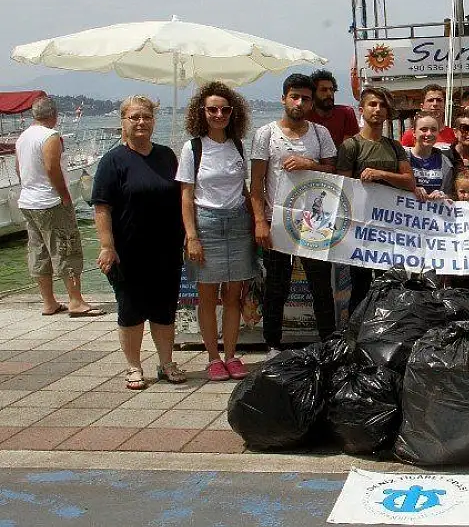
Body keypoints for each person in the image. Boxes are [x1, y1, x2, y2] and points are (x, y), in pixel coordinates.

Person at [91, 96, 186, 390]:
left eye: (146, 117)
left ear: (154, 121)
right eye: (134, 117)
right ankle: (133, 366)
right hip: (128, 252)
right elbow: (101, 207)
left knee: (164, 309)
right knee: (130, 310)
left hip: (166, 250)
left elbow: (182, 198)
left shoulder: (167, 156)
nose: (141, 122)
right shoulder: (112, 161)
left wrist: (188, 236)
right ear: (123, 122)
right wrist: (107, 246)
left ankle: (166, 362)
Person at [250, 73, 338, 357]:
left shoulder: (320, 134)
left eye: (306, 98)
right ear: (284, 98)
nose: (300, 103)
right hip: (277, 221)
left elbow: (333, 173)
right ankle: (273, 345)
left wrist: (308, 163)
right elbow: (256, 184)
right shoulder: (266, 134)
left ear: (312, 102)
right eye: (294, 97)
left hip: (315, 222)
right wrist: (260, 222)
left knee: (321, 286)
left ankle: (327, 343)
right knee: (276, 286)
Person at [176, 82, 256, 381]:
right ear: (202, 112)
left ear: (233, 112)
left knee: (233, 295)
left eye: (224, 109)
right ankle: (212, 358)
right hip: (206, 223)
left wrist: (255, 221)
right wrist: (191, 236)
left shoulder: (237, 145)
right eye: (212, 109)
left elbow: (244, 189)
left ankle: (232, 355)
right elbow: (186, 195)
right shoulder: (193, 148)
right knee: (207, 296)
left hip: (237, 224)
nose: (218, 114)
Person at [15, 95, 102, 318]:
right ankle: (75, 300)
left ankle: (49, 302)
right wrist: (64, 195)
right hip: (50, 201)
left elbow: (18, 168)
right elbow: (52, 167)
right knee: (66, 247)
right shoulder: (50, 136)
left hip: (28, 200)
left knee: (39, 250)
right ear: (53, 115)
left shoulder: (23, 137)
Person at [338, 86, 415, 309]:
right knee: (360, 286)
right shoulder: (350, 146)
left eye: (382, 106)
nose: (378, 109)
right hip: (360, 230)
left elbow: (410, 182)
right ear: (361, 109)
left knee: (389, 285)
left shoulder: (394, 146)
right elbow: (343, 189)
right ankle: (355, 335)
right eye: (372, 104)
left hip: (390, 229)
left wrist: (381, 174)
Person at [307, 69, 360, 149]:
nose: (329, 94)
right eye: (323, 90)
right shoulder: (306, 115)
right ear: (313, 93)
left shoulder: (346, 113)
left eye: (331, 90)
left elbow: (348, 149)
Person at [407, 111, 454, 201]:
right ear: (413, 132)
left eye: (433, 130)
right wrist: (412, 190)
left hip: (432, 214)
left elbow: (450, 194)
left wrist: (443, 195)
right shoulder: (402, 158)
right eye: (424, 129)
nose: (429, 134)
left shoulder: (446, 163)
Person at [400, 84, 455, 149]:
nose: (435, 104)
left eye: (439, 100)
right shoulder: (410, 135)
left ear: (444, 105)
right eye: (430, 100)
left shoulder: (453, 134)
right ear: (421, 107)